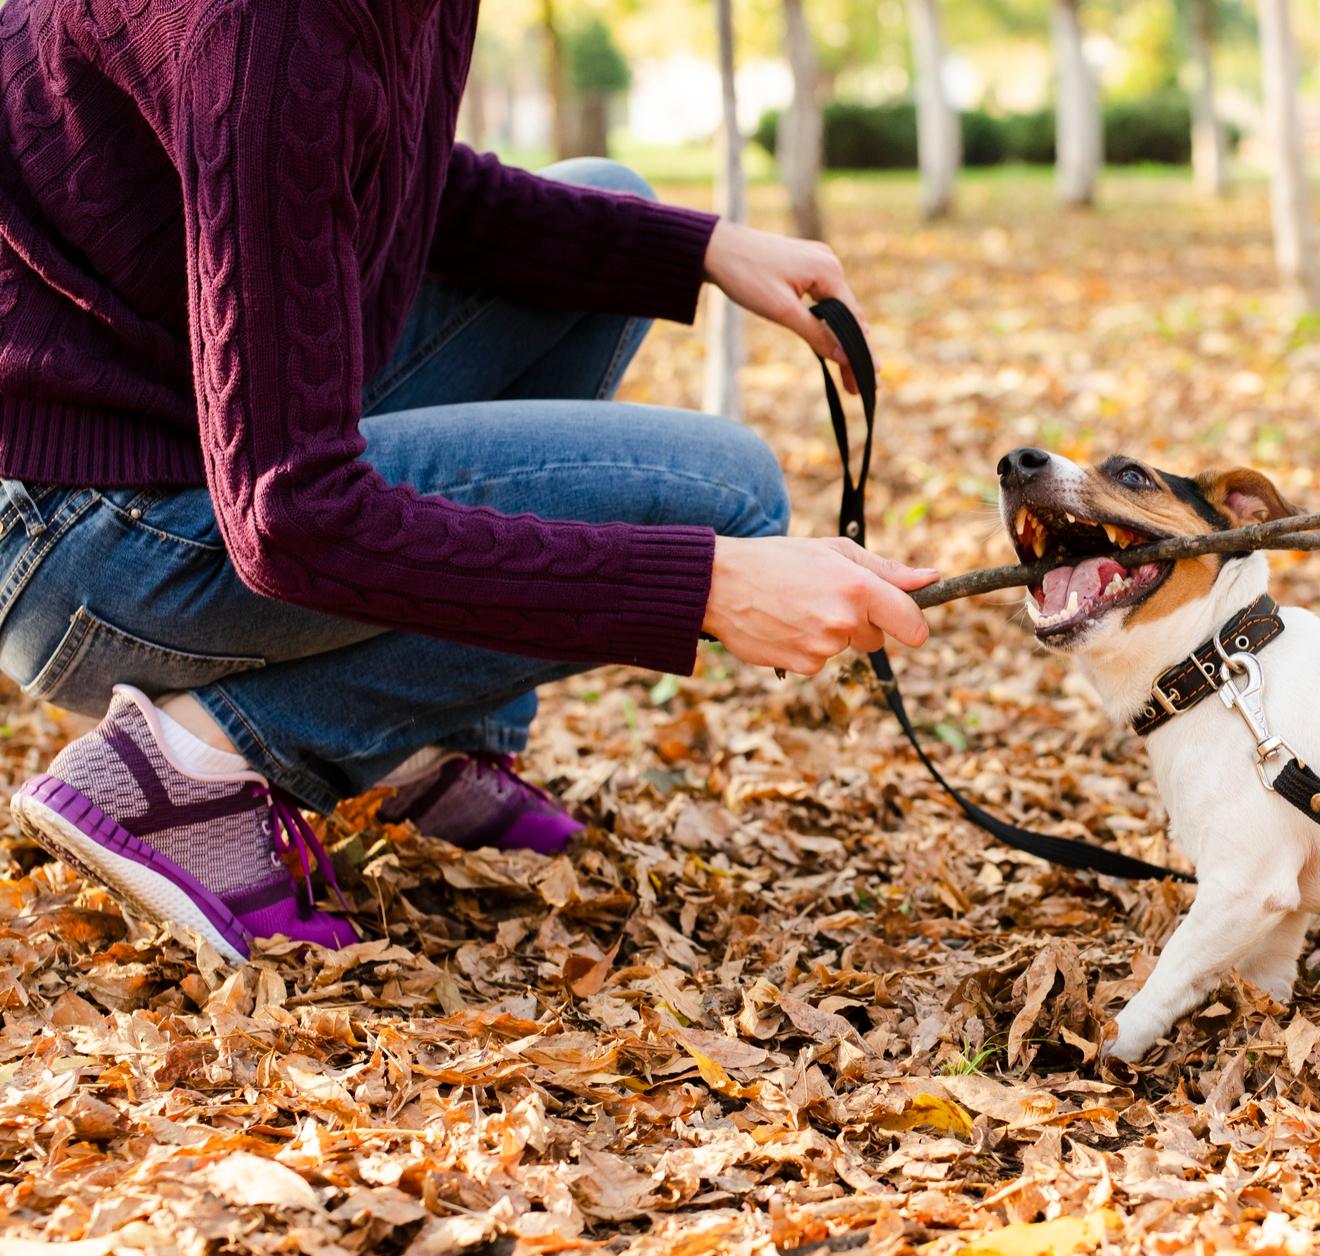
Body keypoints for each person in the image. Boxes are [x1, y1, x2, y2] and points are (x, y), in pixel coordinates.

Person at [0, 0, 935, 963]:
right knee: (725, 495)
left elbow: (381, 171)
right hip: (86, 535)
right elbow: (294, 518)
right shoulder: (263, 28)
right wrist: (708, 582)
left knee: (612, 205)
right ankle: (185, 770)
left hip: (181, 430)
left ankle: (428, 747)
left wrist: (701, 249)